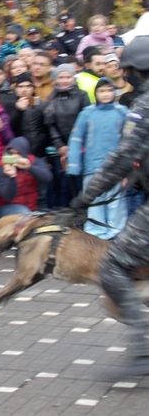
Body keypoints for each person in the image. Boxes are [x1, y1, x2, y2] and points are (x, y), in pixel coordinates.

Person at [70, 34, 149, 375]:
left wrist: (86, 198)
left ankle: (143, 352)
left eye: (128, 69)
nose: (124, 76)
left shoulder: (144, 106)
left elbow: (122, 157)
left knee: (112, 266)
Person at [67, 78, 129, 239]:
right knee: (94, 201)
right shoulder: (87, 113)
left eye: (109, 90)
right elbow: (76, 138)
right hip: (92, 166)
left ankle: (116, 234)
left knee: (116, 202)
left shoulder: (122, 112)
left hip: (117, 168)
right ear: (95, 93)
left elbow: (130, 140)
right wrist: (73, 165)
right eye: (102, 91)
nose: (106, 94)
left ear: (114, 92)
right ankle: (95, 235)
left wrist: (129, 168)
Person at [43, 64, 90, 208]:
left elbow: (86, 121)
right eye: (61, 77)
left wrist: (75, 145)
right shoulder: (52, 97)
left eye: (68, 77)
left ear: (73, 78)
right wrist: (60, 145)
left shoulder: (82, 95)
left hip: (79, 146)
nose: (64, 80)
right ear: (55, 79)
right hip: (59, 148)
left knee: (79, 183)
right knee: (62, 184)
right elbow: (49, 123)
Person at [0, 136, 53, 219]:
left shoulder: (33, 161)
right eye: (11, 153)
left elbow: (47, 178)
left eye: (19, 153)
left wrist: (29, 168)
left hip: (31, 208)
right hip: (6, 207)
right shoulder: (1, 167)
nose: (15, 157)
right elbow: (8, 196)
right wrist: (12, 176)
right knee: (25, 215)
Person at [8, 72, 48, 159]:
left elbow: (47, 127)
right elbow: (9, 128)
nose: (24, 89)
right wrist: (18, 110)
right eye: (20, 87)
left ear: (33, 88)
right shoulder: (10, 104)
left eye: (28, 86)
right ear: (15, 88)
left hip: (38, 152)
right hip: (16, 152)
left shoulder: (41, 104)